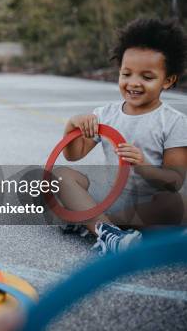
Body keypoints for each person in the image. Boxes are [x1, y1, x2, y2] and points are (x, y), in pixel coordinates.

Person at [56, 18, 187, 255]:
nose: (133, 83)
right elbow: (73, 155)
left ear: (168, 81)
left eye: (147, 77)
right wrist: (71, 125)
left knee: (178, 204)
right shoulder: (105, 114)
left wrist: (144, 166)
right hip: (109, 196)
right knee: (60, 176)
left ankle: (92, 222)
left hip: (145, 204)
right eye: (126, 74)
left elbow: (175, 180)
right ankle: (107, 230)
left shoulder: (174, 122)